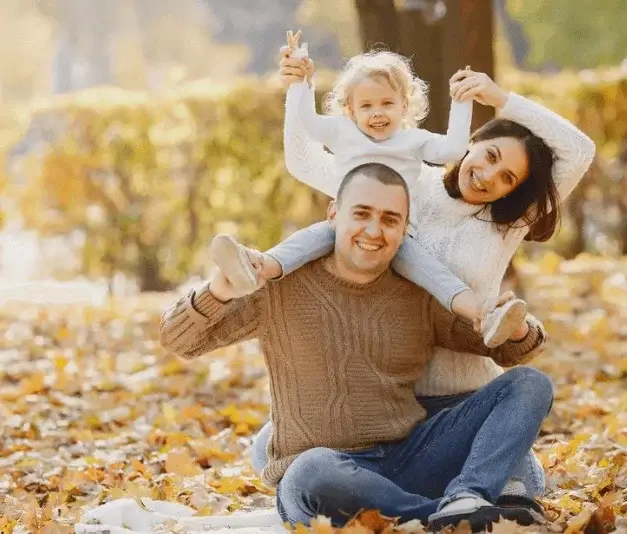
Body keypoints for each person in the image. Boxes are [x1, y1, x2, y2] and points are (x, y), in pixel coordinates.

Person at [250, 41, 597, 507]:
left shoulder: (505, 222)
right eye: (491, 155)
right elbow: (307, 161)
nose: (491, 176)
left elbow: (577, 151)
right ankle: (420, 497)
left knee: (517, 472)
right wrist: (299, 87)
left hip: (461, 401)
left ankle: (478, 488)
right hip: (385, 405)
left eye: (508, 177)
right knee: (268, 447)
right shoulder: (400, 183)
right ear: (473, 142)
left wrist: (500, 98)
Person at [160, 163, 553, 531]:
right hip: (326, 473)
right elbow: (179, 340)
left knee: (530, 384)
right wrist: (219, 291)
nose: (374, 230)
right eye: (361, 214)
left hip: (411, 457)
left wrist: (515, 325)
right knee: (311, 470)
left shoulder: (417, 296)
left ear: (404, 230)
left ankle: (467, 498)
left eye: (389, 219)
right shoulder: (279, 288)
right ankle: (437, 516)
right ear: (334, 215)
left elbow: (506, 348)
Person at [209, 31, 527, 349]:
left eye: (387, 103)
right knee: (305, 241)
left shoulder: (413, 141)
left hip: (398, 235)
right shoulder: (342, 131)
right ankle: (255, 266)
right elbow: (307, 121)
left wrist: (461, 103)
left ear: (405, 106)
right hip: (345, 225)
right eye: (367, 105)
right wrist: (301, 80)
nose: (377, 113)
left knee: (436, 276)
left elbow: (455, 149)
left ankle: (486, 315)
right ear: (350, 110)